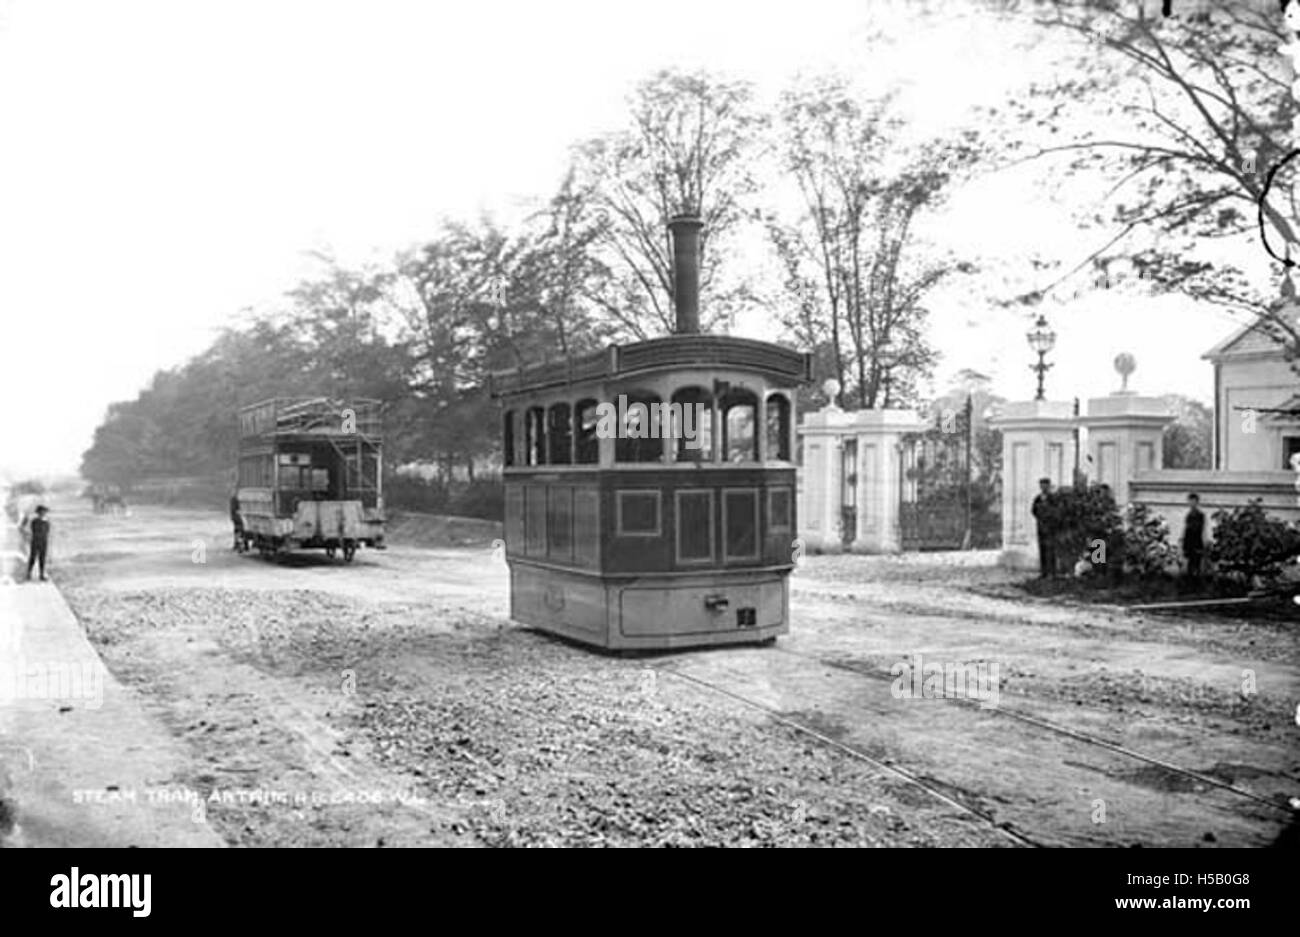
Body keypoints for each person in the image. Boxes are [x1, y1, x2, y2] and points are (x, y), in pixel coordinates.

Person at [1031, 478, 1055, 578]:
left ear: (1049, 486)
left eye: (1046, 485)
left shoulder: (1053, 498)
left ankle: (1052, 572)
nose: (1043, 487)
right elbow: (1033, 510)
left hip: (1051, 528)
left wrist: (1049, 518)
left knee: (1051, 550)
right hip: (1041, 527)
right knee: (1042, 549)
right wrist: (1040, 518)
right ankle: (1044, 572)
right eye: (1042, 485)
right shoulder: (1038, 498)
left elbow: (1056, 511)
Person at [22, 505, 51, 581]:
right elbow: (32, 530)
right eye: (42, 512)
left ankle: (41, 574)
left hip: (44, 541)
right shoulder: (35, 521)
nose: (43, 513)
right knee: (33, 557)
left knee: (42, 558)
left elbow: (47, 532)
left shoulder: (47, 522)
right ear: (38, 513)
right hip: (35, 541)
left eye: (44, 512)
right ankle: (29, 573)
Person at [1183, 492, 1205, 582]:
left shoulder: (1200, 515)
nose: (1191, 503)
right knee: (1189, 566)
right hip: (1189, 543)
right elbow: (1187, 530)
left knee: (1196, 566)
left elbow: (1197, 529)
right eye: (1190, 501)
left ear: (1197, 502)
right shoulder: (1188, 515)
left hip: (1196, 543)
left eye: (1193, 501)